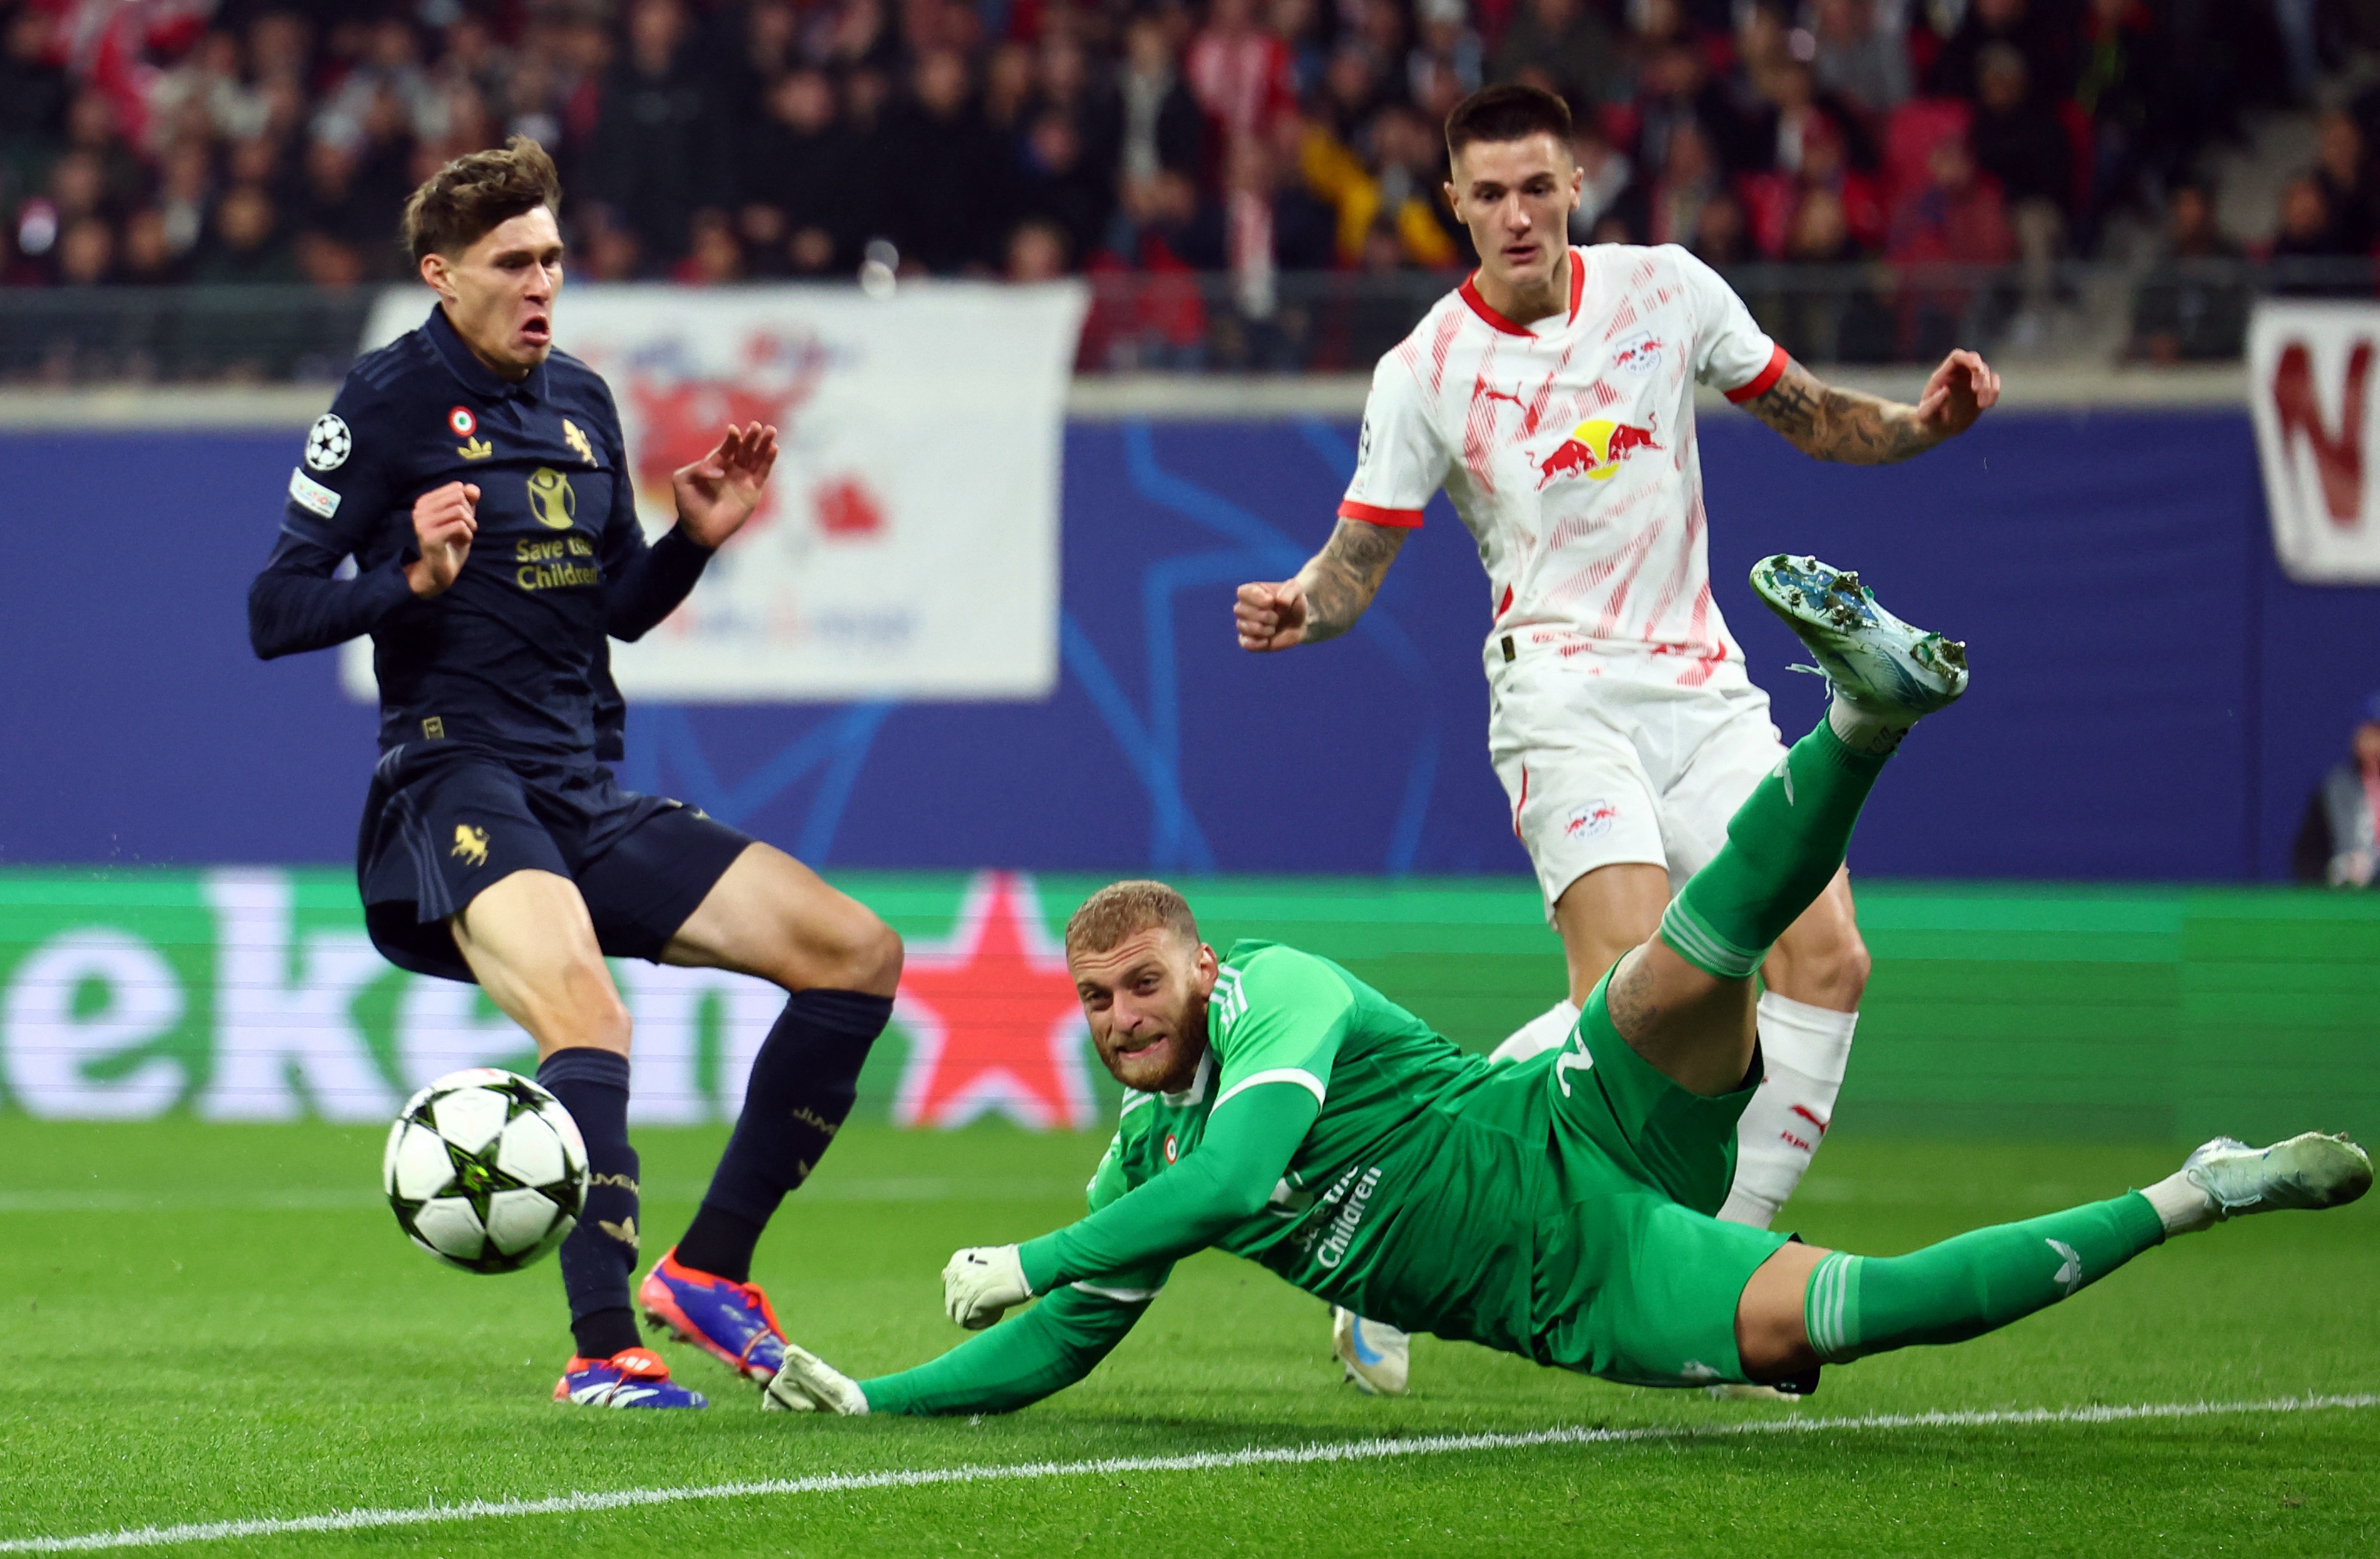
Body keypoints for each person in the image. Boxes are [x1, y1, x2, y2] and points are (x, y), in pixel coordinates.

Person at [764, 558, 2369, 1418]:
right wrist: (877, 1398)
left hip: (1559, 1118)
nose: (1120, 1016)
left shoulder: (1281, 992)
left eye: (1140, 982)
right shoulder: (1137, 1166)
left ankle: (1863, 720)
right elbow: (1055, 1348)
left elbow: (1249, 1173)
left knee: (1682, 963)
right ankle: (2199, 1188)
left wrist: (1025, 1250)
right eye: (1095, 999)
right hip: (1584, 1283)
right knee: (1867, 1311)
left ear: (1201, 961)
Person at [1230, 83, 2001, 1394]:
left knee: (1828, 962)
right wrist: (1307, 604)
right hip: (1560, 701)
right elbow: (1357, 562)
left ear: (1575, 180)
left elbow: (1810, 416)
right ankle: (1393, 1240)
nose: (1516, 214)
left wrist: (1922, 424)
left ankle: (1729, 1280)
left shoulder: (1665, 291)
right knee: (1638, 1007)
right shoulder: (1424, 370)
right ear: (1453, 207)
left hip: (1703, 693)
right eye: (1489, 194)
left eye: (1537, 186)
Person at [245, 138, 903, 1409]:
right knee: (592, 1018)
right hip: (452, 784)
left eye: (552, 256)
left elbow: (618, 608)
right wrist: (406, 583)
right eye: (513, 262)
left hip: (583, 792)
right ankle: (604, 1352)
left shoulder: (583, 403)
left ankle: (708, 1272)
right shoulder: (380, 404)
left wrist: (692, 544)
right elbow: (273, 610)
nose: (542, 280)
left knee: (856, 956)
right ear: (444, 275)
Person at [2291, 693, 2380, 887]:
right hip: (2347, 897)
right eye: (2372, 734)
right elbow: (2307, 857)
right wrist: (2335, 870)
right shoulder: (2336, 788)